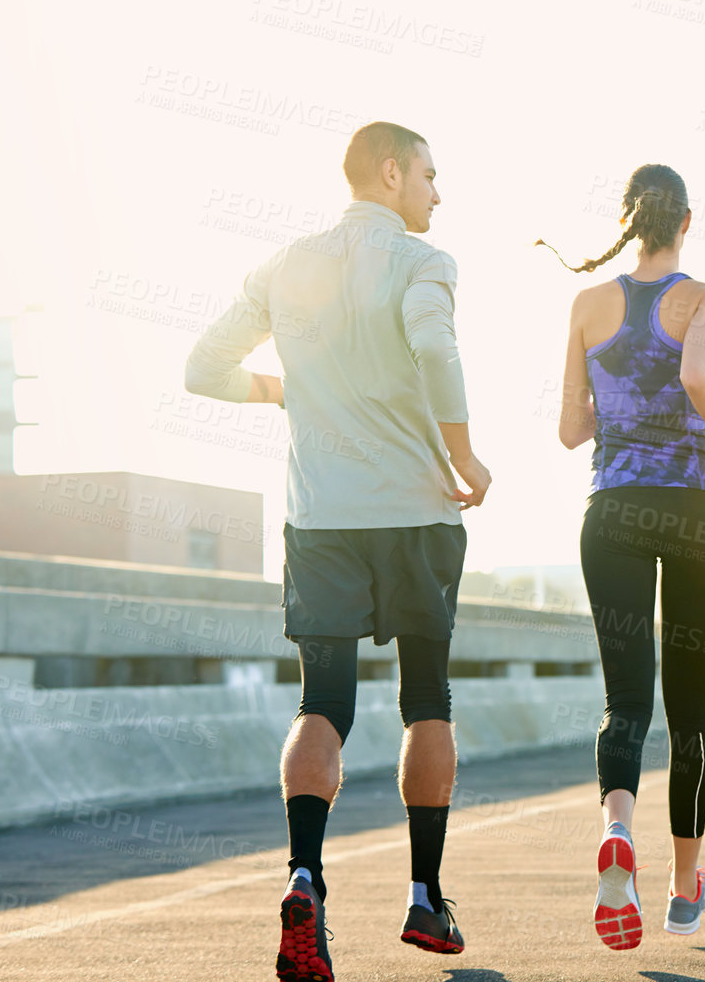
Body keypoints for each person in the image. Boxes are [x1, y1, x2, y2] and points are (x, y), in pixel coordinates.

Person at [185, 121, 491, 980]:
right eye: (431, 172)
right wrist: (464, 456)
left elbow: (203, 369)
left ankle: (305, 876)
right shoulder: (425, 263)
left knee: (323, 701)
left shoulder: (286, 265)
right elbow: (434, 347)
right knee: (427, 697)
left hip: (320, 516)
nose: (439, 190)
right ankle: (426, 898)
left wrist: (291, 390)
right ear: (391, 173)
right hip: (416, 514)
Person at [539, 163, 705, 950]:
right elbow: (696, 373)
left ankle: (617, 832)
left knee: (624, 699)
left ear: (630, 221)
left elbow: (570, 432)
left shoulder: (588, 303)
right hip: (692, 508)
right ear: (687, 222)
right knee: (689, 709)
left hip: (611, 513)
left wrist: (622, 404)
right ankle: (682, 888)